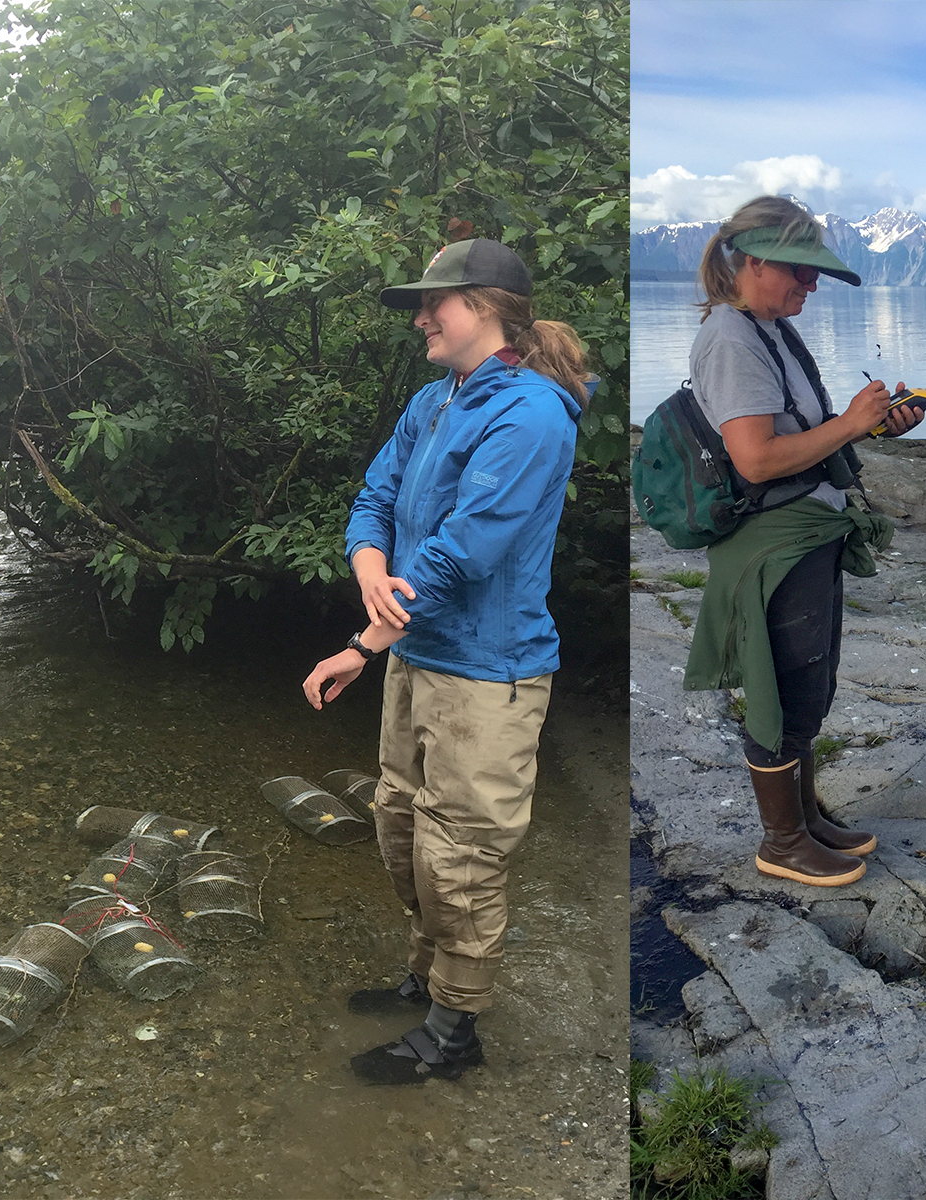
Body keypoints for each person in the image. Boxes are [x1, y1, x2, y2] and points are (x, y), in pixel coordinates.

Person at [301, 237, 591, 1084]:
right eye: (422, 305)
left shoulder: (531, 413)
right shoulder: (435, 401)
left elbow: (466, 549)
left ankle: (454, 1032)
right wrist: (367, 570)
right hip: (417, 654)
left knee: (460, 851)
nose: (422, 317)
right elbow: (374, 499)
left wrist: (362, 642)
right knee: (400, 827)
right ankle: (428, 979)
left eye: (439, 302)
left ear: (493, 310)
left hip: (488, 673)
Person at [677, 196, 924, 889]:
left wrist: (875, 424)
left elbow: (798, 438)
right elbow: (755, 460)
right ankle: (781, 841)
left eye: (816, 276)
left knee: (808, 680)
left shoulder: (768, 328)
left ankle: (806, 818)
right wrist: (850, 423)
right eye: (800, 273)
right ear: (750, 261)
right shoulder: (730, 337)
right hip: (772, 545)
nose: (810, 287)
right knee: (777, 687)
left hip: (805, 533)